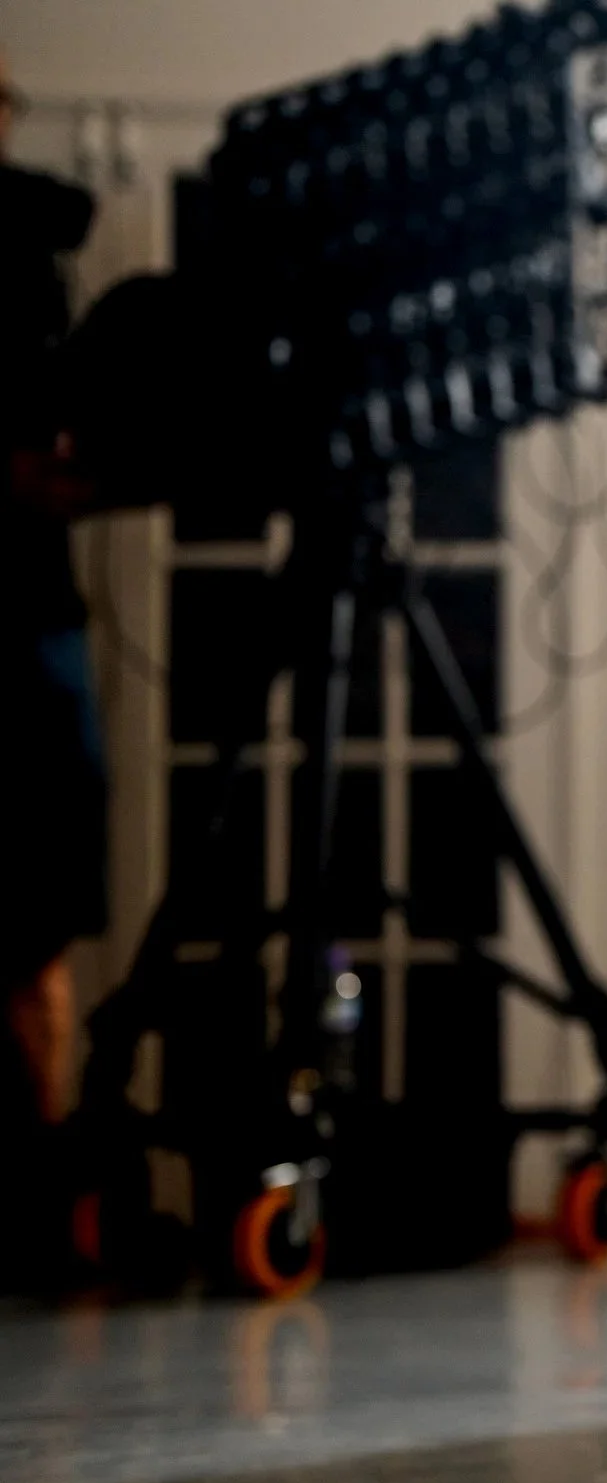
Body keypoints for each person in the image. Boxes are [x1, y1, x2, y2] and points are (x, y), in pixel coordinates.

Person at [1, 51, 106, 1153]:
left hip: (35, 621)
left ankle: (49, 1184)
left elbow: (65, 459)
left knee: (40, 931)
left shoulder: (36, 255)